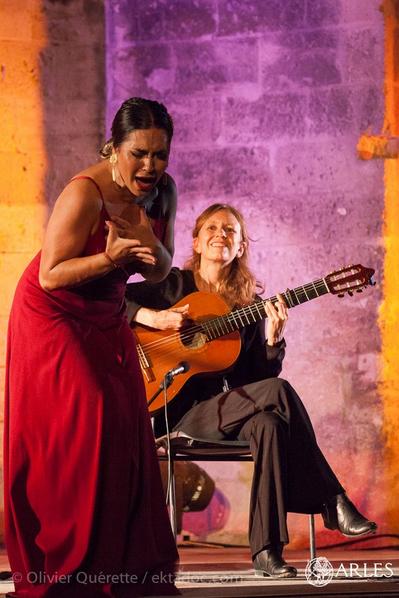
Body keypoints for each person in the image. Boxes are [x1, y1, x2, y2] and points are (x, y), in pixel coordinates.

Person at [125, 203, 377, 579]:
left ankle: (266, 551)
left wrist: (273, 342)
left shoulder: (250, 308)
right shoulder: (172, 286)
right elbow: (113, 300)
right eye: (211, 227)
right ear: (196, 241)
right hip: (175, 409)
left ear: (241, 247)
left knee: (271, 425)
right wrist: (153, 317)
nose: (220, 234)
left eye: (230, 230)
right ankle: (331, 498)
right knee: (279, 393)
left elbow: (255, 382)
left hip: (225, 410)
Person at [4, 97, 179, 597]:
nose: (150, 166)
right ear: (114, 148)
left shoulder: (163, 191)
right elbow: (51, 274)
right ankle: (70, 564)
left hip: (107, 312)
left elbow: (162, 268)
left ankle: (123, 565)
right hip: (52, 315)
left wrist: (152, 243)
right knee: (92, 415)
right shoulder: (84, 194)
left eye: (160, 154)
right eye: (139, 153)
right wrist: (110, 259)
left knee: (128, 420)